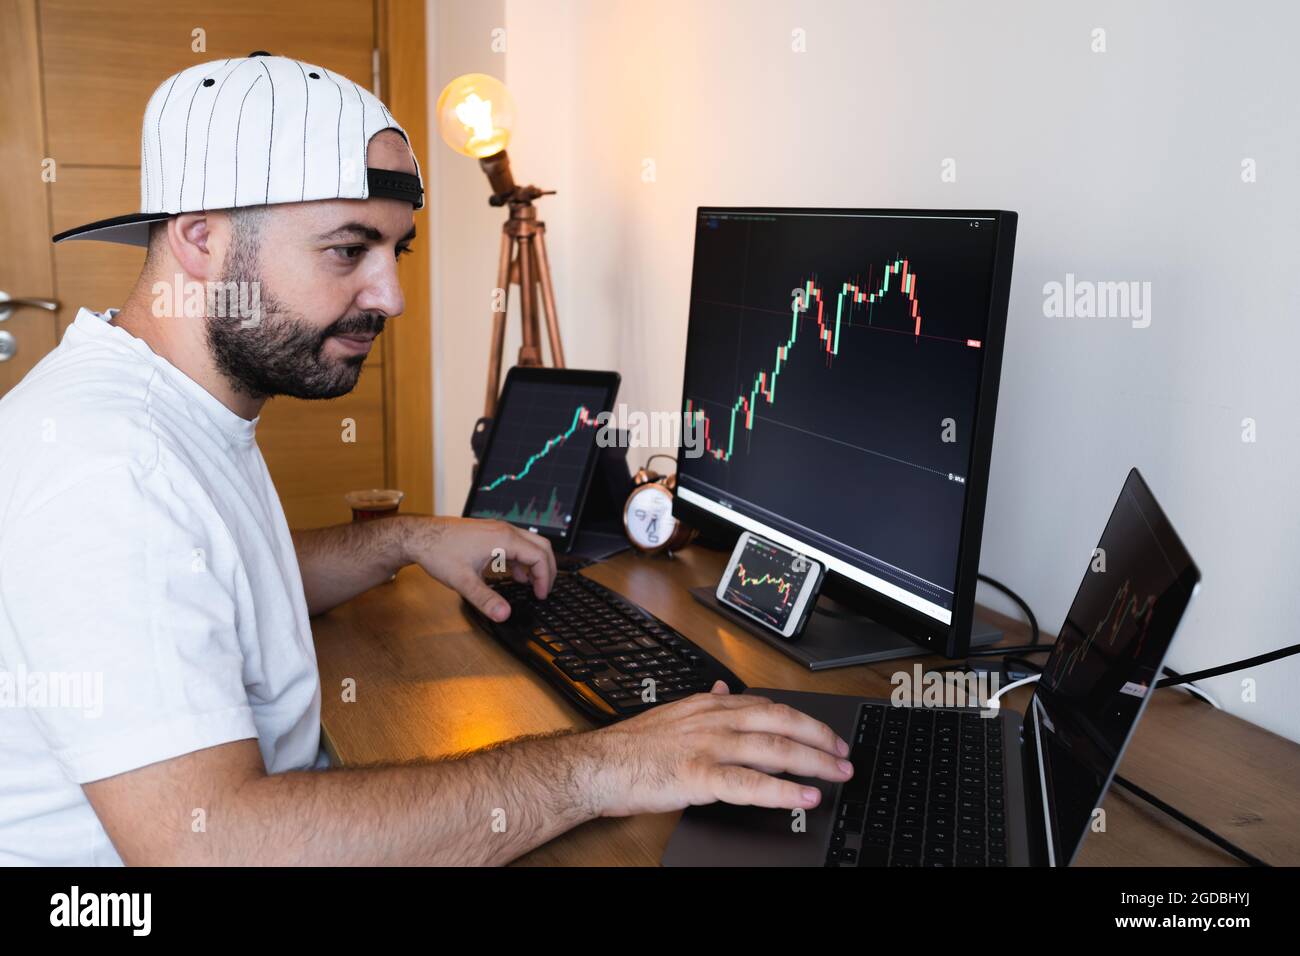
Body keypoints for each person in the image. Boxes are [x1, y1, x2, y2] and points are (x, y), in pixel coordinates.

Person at [0, 54, 850, 865]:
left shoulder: (164, 408)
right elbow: (214, 846)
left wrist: (402, 540)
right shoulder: (113, 466)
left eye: (395, 251)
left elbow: (219, 581)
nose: (391, 296)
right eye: (347, 249)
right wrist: (603, 767)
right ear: (201, 241)